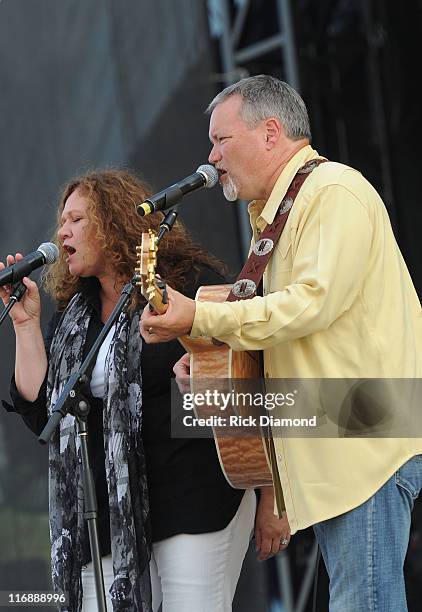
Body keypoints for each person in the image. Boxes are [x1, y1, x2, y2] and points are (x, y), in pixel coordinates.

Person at [140, 75, 422, 611]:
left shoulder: (332, 192)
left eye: (222, 140)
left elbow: (309, 304)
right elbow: (292, 330)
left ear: (270, 133)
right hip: (340, 438)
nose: (212, 154)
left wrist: (199, 316)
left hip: (364, 437)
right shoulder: (283, 210)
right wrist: (207, 363)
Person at [0, 168, 289, 612]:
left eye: (76, 220)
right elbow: (46, 415)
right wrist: (25, 326)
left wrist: (272, 494)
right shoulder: (76, 315)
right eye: (62, 221)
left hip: (193, 495)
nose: (62, 231)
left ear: (114, 221)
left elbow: (253, 384)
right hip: (113, 514)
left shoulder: (187, 286)